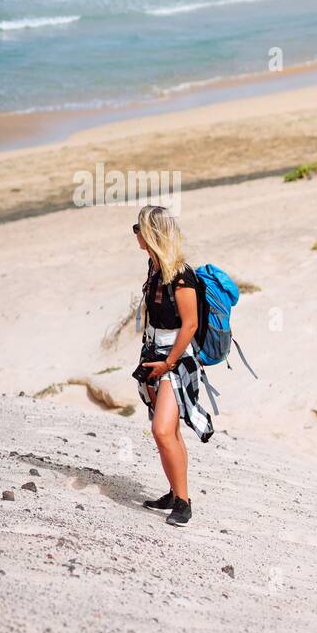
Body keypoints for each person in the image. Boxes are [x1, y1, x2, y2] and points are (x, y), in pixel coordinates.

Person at [132, 205, 213, 527]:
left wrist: (167, 363)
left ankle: (183, 503)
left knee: (162, 429)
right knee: (170, 430)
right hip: (154, 354)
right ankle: (173, 491)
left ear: (151, 233)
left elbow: (190, 325)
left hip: (176, 358)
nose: (135, 234)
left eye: (138, 228)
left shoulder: (181, 276)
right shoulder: (154, 267)